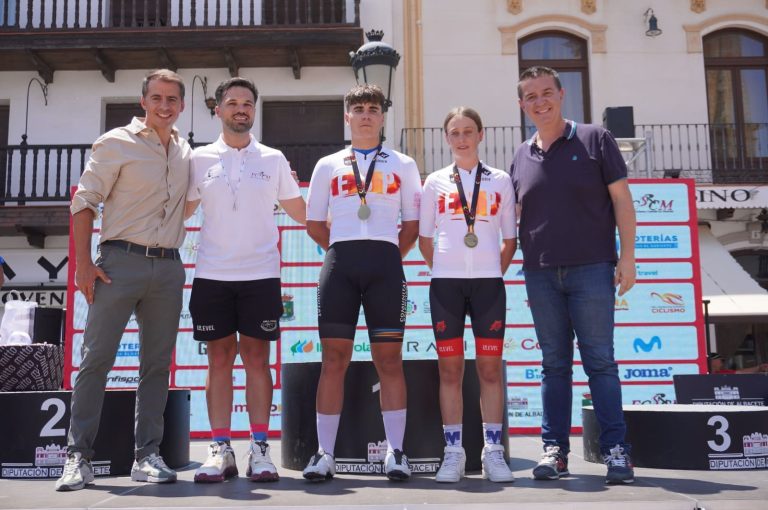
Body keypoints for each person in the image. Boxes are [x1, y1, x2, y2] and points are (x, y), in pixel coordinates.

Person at [56, 69, 190, 491]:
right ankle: (77, 457)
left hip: (168, 266)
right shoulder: (115, 142)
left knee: (156, 366)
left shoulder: (187, 151)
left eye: (172, 99)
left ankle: (146, 455)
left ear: (181, 106)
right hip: (118, 262)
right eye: (157, 98)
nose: (164, 106)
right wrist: (82, 265)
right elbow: (84, 202)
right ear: (143, 102)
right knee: (96, 360)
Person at [510, 66, 637, 485]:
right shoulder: (520, 155)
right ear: (522, 104)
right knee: (554, 366)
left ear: (562, 95)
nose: (540, 101)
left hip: (593, 269)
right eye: (531, 96)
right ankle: (556, 452)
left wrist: (628, 258)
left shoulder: (595, 138)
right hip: (540, 274)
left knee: (600, 363)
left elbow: (622, 200)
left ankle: (616, 451)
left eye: (547, 92)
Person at [184, 77, 306, 483]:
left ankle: (259, 448)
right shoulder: (197, 159)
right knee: (219, 360)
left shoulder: (273, 159)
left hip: (261, 274)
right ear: (217, 109)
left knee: (257, 360)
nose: (240, 109)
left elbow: (303, 212)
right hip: (212, 274)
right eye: (232, 102)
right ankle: (220, 447)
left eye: (247, 103)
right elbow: (180, 213)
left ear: (254, 110)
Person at [303, 84, 422, 482]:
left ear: (383, 117)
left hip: (386, 266)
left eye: (373, 108)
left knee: (388, 360)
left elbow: (413, 226)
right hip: (340, 266)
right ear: (347, 117)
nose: (366, 114)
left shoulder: (403, 164)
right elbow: (315, 224)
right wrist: (343, 250)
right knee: (333, 360)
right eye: (358, 108)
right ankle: (324, 454)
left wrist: (386, 255)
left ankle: (397, 453)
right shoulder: (327, 164)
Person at [419, 107, 517, 483]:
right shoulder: (435, 183)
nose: (462, 138)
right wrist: (445, 268)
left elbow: (510, 239)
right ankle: (453, 452)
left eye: (468, 131)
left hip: (489, 286)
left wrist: (492, 271)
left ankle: (493, 450)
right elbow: (425, 239)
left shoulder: (501, 180)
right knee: (450, 369)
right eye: (455, 133)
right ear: (447, 139)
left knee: (490, 370)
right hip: (446, 286)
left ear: (481, 134)